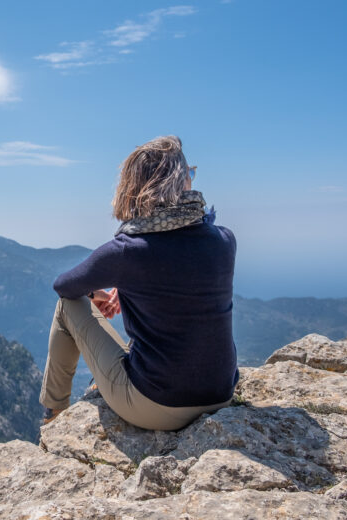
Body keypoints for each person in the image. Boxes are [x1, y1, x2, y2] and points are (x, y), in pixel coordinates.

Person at [40, 135, 238, 430]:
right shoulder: (223, 240)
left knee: (67, 306)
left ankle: (53, 414)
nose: (191, 179)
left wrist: (97, 291)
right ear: (181, 182)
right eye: (189, 173)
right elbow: (179, 270)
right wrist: (127, 283)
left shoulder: (128, 251)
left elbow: (64, 286)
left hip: (157, 406)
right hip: (220, 395)